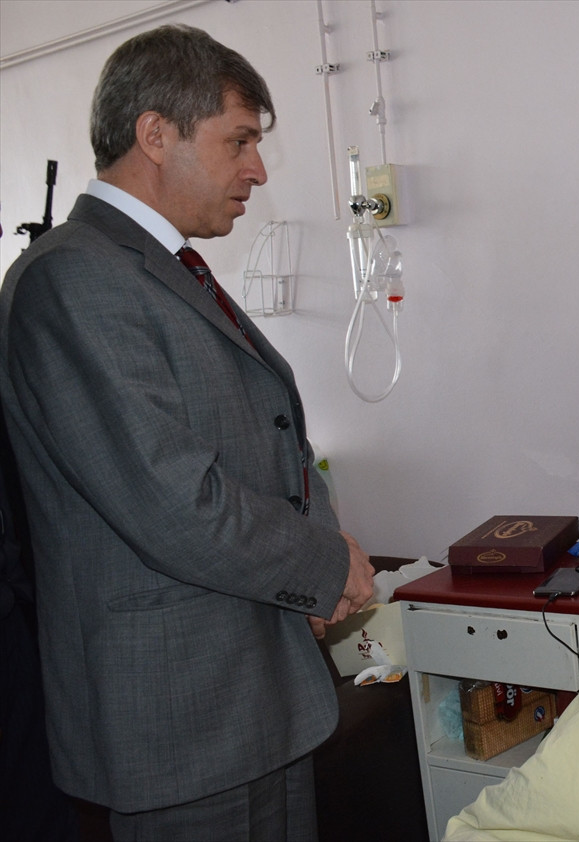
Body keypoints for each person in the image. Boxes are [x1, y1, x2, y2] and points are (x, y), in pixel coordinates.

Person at [0, 25, 375, 840]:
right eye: (239, 140)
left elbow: (269, 440)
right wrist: (323, 563)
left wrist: (319, 552)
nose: (258, 169)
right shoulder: (73, 279)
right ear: (155, 133)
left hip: (256, 689)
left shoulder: (167, 271)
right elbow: (174, 501)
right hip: (177, 714)